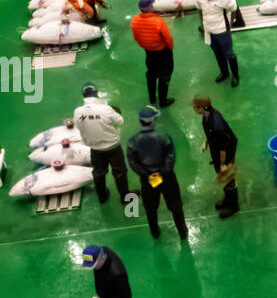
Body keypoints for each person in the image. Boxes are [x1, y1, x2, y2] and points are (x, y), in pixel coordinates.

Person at [127, 106, 187, 242]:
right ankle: (182, 231)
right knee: (175, 205)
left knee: (150, 207)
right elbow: (170, 158)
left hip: (148, 180)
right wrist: (161, 173)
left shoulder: (133, 141)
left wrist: (150, 175)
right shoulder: (165, 137)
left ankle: (155, 232)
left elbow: (133, 163)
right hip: (167, 178)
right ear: (154, 120)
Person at [74, 83, 129, 205]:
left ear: (83, 95)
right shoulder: (106, 109)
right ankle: (125, 197)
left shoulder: (78, 112)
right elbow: (120, 121)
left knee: (99, 173)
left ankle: (102, 196)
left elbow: (79, 126)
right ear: (96, 93)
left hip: (95, 148)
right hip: (113, 147)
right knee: (119, 171)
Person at [193, 96, 239, 218]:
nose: (194, 109)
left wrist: (224, 164)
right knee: (220, 173)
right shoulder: (206, 115)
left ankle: (233, 206)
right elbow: (209, 132)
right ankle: (227, 200)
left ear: (203, 107)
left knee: (227, 176)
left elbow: (223, 148)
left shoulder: (216, 123)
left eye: (195, 107)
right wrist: (206, 142)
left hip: (226, 150)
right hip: (217, 147)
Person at [131, 0, 174, 108]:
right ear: (150, 7)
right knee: (165, 75)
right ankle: (163, 101)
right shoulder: (158, 21)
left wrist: (146, 46)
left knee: (151, 74)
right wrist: (170, 48)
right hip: (163, 52)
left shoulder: (134, 21)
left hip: (149, 52)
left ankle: (152, 97)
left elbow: (136, 38)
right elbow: (168, 38)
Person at [200, 0, 240, 86]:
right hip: (210, 32)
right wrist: (203, 25)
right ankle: (224, 72)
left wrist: (230, 24)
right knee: (217, 53)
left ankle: (235, 76)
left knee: (229, 53)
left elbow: (234, 8)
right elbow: (200, 9)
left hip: (222, 31)